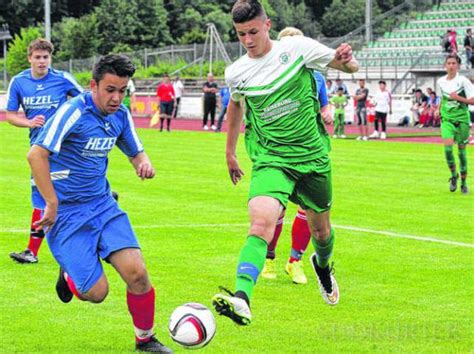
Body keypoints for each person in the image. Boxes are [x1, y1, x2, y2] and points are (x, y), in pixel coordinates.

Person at [211, 0, 358, 325]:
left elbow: (346, 67)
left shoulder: (297, 49)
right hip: (271, 159)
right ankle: (241, 297)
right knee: (261, 223)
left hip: (312, 159)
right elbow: (235, 106)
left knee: (321, 232)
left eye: (252, 31)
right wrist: (230, 152)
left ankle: (321, 266)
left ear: (267, 24)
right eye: (240, 34)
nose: (248, 40)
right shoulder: (236, 71)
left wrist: (348, 62)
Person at [27, 54, 172, 353]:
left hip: (103, 205)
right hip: (66, 215)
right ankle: (68, 274)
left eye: (123, 90)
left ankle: (145, 339)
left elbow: (136, 151)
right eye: (110, 90)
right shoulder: (73, 112)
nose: (117, 97)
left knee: (138, 273)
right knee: (96, 293)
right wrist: (50, 203)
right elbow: (36, 154)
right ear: (93, 85)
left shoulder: (120, 115)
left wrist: (143, 164)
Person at [261, 26, 333, 285]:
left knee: (307, 208)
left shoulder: (316, 78)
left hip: (309, 153)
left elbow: (324, 104)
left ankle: (295, 261)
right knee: (274, 209)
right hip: (278, 153)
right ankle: (269, 258)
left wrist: (327, 111)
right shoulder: (269, 76)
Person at [6, 38, 83, 264]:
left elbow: (86, 102)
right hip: (38, 147)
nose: (42, 61)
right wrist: (29, 122)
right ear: (30, 58)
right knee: (42, 194)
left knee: (51, 193)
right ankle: (33, 251)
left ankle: (33, 251)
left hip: (64, 146)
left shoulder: (62, 79)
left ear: (50, 59)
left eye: (46, 57)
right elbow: (10, 115)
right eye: (38, 57)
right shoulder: (19, 82)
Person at [435, 54, 474, 194]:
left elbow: (472, 100)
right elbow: (442, 99)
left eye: (453, 63)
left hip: (462, 119)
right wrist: (437, 109)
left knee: (462, 153)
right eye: (449, 63)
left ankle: (463, 183)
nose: (451, 66)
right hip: (447, 119)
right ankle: (453, 176)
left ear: (458, 65)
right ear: (445, 65)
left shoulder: (463, 81)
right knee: (447, 149)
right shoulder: (440, 82)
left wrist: (458, 97)